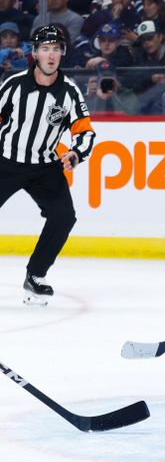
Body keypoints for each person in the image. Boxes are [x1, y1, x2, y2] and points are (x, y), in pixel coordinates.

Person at [0, 25, 96, 306]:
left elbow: (86, 132)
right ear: (35, 53)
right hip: (5, 161)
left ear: (62, 53)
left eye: (56, 49)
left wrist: (76, 154)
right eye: (45, 49)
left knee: (64, 216)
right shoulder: (14, 85)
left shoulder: (69, 92)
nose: (51, 55)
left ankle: (36, 274)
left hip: (45, 167)